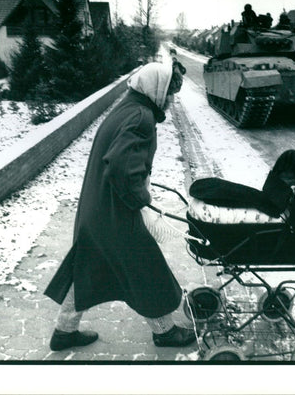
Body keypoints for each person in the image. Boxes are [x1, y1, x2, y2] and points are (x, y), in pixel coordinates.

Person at [43, 61, 194, 351]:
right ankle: (165, 332)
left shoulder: (127, 107)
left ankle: (64, 331)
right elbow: (121, 169)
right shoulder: (141, 116)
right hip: (115, 212)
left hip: (98, 207)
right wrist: (143, 203)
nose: (172, 100)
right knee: (145, 265)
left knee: (88, 266)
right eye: (170, 93)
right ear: (156, 90)